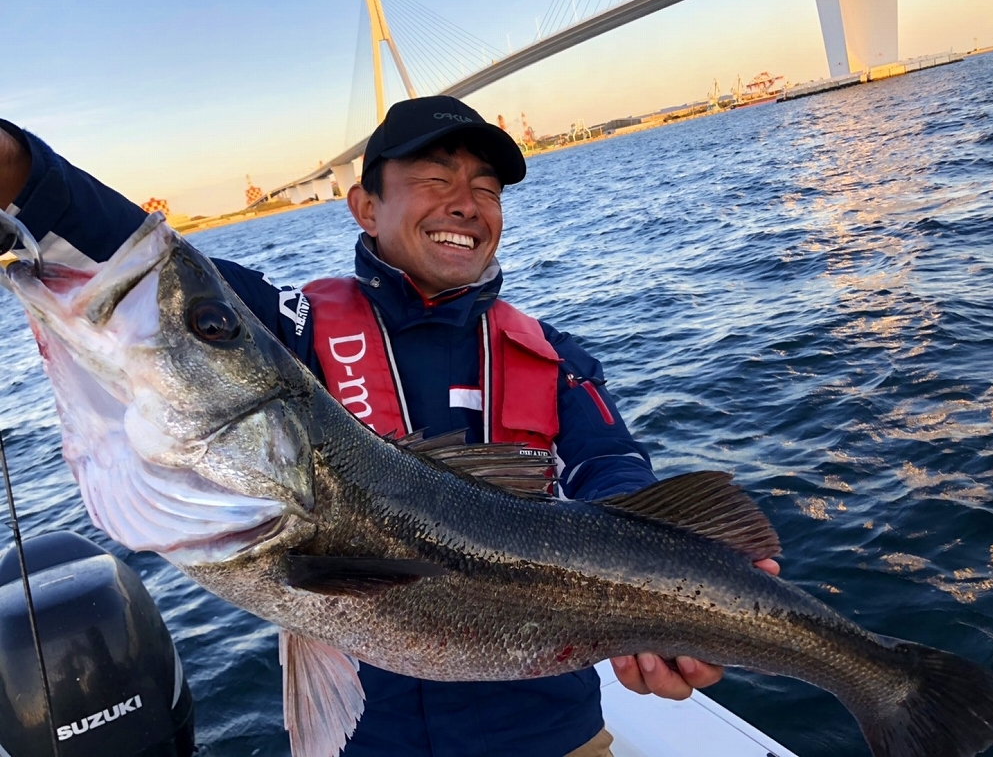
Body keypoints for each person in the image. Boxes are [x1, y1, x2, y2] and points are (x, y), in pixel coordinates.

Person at [0, 96, 778, 757]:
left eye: (486, 188)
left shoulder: (556, 358)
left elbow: (617, 477)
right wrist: (27, 175)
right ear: (365, 206)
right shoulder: (291, 330)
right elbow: (166, 277)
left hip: (554, 736)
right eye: (435, 180)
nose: (466, 203)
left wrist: (686, 592)